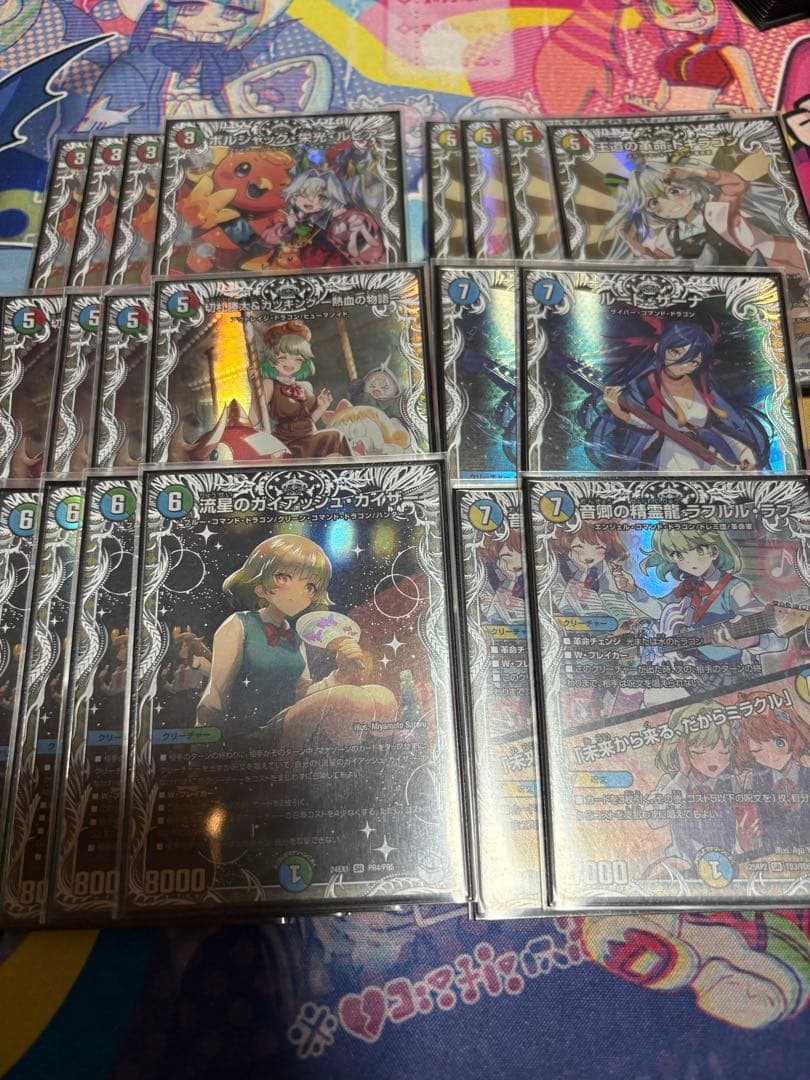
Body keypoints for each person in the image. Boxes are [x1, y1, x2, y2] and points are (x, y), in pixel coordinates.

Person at [196, 534, 397, 747]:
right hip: (246, 735)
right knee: (352, 699)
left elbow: (303, 695)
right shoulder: (238, 625)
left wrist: (342, 672)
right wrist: (203, 747)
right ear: (260, 586)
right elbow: (215, 695)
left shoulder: (294, 638)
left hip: (286, 726)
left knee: (381, 697)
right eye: (284, 577)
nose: (301, 591)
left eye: (310, 586)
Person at [579, 319, 772, 472]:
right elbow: (651, 424)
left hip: (713, 456)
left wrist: (744, 451)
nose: (682, 363)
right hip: (673, 458)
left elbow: (718, 427)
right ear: (658, 348)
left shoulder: (703, 386)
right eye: (675, 352)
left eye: (693, 360)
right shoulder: (646, 385)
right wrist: (621, 414)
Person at [600, 159, 807, 277]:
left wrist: (695, 172)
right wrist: (629, 239)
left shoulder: (716, 211)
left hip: (771, 269)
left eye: (674, 191)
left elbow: (736, 185)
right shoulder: (667, 239)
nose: (669, 204)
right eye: (653, 202)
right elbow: (659, 267)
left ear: (690, 187)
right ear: (649, 210)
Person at [252, 320, 352, 459]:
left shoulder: (305, 386)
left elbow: (309, 421)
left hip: (310, 437)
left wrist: (322, 407)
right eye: (283, 357)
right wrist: (254, 387)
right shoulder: (269, 385)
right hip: (288, 443)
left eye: (297, 359)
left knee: (336, 437)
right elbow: (253, 419)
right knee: (335, 437)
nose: (290, 363)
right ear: (272, 359)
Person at [735, 701, 810, 855]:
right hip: (772, 854)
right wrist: (746, 846)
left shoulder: (807, 774)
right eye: (758, 750)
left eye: (778, 742)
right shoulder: (753, 782)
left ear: (791, 736)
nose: (771, 755)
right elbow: (752, 824)